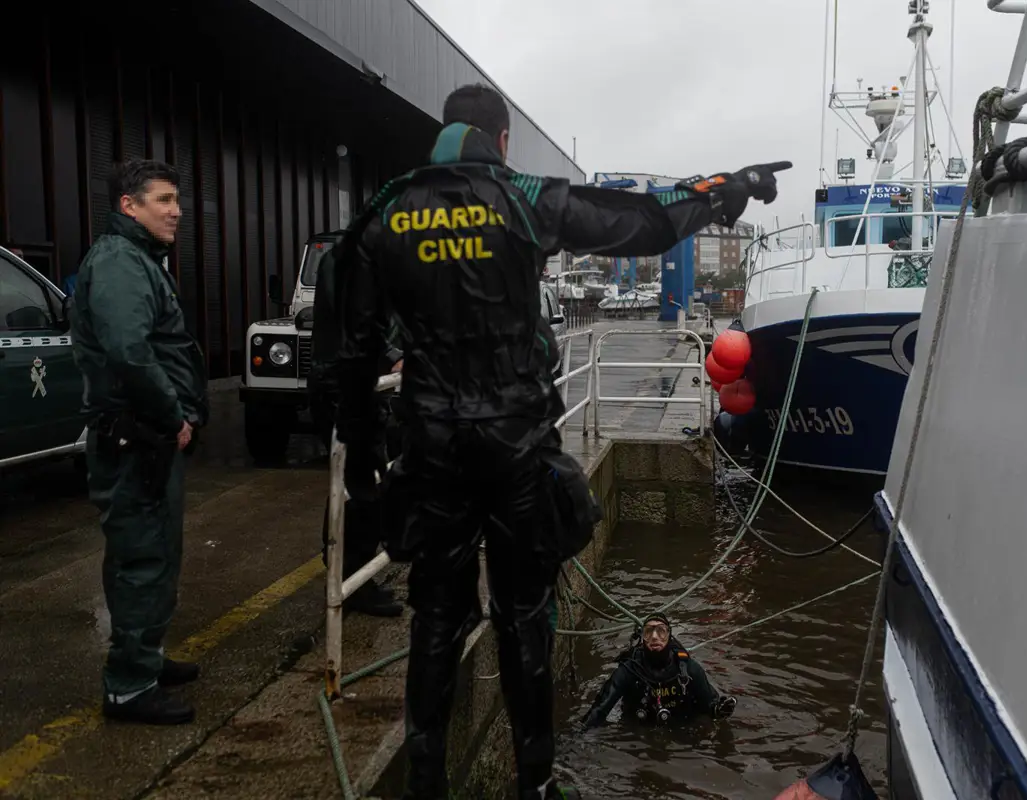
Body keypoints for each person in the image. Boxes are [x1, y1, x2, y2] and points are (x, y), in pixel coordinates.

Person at [329, 83, 788, 800]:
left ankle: (426, 787)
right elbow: (638, 224)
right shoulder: (521, 198)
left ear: (446, 132)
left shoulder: (385, 210)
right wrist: (723, 192)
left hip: (433, 448)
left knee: (438, 618)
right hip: (515, 448)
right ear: (501, 139)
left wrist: (363, 474)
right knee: (523, 617)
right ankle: (536, 783)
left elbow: (349, 353)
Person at [71, 159, 209, 725]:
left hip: (145, 436)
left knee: (153, 553)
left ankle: (143, 656)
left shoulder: (139, 259)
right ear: (129, 206)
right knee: (142, 556)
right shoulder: (121, 262)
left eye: (177, 199)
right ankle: (129, 686)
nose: (177, 210)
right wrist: (173, 414)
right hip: (136, 437)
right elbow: (130, 351)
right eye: (163, 199)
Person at [310, 245, 406, 616]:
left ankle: (348, 569)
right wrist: (394, 354)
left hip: (360, 386)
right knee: (362, 488)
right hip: (339, 388)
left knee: (359, 484)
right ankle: (349, 578)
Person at [580, 613, 736, 729]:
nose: (655, 637)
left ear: (669, 636)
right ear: (642, 638)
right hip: (639, 729)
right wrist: (580, 733)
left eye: (661, 631)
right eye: (649, 632)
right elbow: (600, 709)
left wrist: (719, 710)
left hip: (681, 728)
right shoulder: (629, 669)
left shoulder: (687, 667)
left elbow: (709, 703)